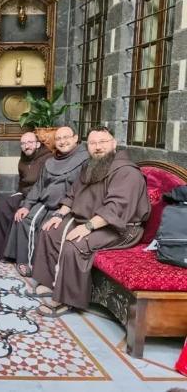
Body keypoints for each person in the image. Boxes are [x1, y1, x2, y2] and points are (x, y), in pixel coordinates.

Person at [29, 126, 151, 317]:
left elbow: (116, 209)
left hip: (121, 228)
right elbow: (73, 193)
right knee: (50, 230)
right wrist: (59, 215)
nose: (98, 147)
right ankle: (51, 282)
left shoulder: (126, 171)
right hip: (90, 220)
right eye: (93, 143)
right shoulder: (92, 165)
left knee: (75, 243)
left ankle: (66, 300)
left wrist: (87, 227)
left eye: (102, 142)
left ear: (114, 143)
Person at [3, 126, 89, 276]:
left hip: (68, 208)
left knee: (47, 229)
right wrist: (26, 206)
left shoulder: (85, 159)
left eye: (66, 138)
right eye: (58, 139)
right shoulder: (52, 160)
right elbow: (39, 186)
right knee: (24, 219)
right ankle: (25, 261)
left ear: (75, 138)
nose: (62, 142)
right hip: (45, 203)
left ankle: (41, 267)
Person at [0, 132, 52, 257]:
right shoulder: (23, 160)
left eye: (30, 142)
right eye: (23, 144)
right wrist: (18, 195)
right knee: (0, 206)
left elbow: (46, 186)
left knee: (18, 214)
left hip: (39, 198)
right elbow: (22, 182)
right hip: (24, 194)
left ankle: (11, 254)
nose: (27, 146)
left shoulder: (48, 159)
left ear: (37, 144)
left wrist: (26, 203)